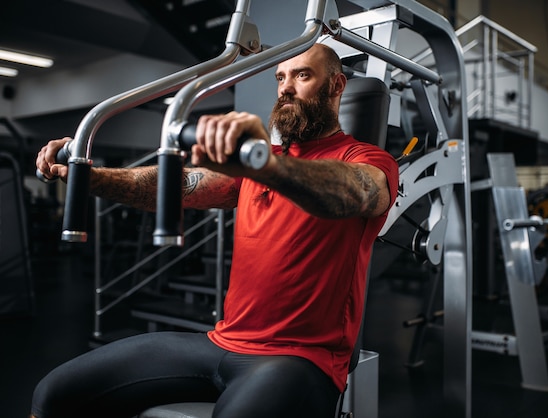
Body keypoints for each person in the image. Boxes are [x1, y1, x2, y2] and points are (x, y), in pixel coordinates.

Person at [32, 43, 399, 418]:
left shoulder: (367, 160)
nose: (285, 87)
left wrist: (265, 164)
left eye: (302, 75)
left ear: (337, 86)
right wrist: (86, 176)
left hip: (300, 358)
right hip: (221, 342)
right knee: (55, 393)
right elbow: (176, 184)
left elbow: (351, 191)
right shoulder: (255, 166)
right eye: (280, 77)